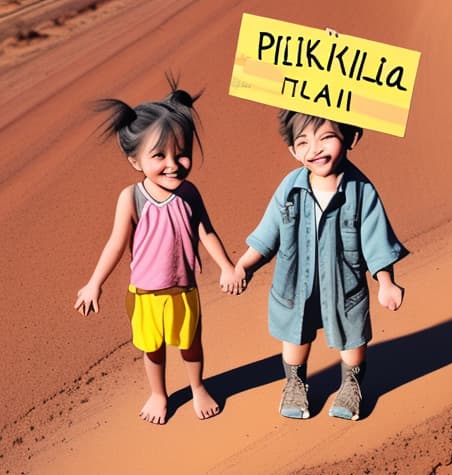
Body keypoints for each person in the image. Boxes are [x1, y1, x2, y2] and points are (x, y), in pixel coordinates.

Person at [74, 79, 243, 424]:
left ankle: (197, 387)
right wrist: (94, 283)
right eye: (159, 156)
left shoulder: (190, 193)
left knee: (191, 345)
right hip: (145, 294)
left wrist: (227, 266)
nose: (173, 164)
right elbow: (116, 244)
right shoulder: (131, 197)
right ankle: (158, 394)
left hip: (184, 291)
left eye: (182, 153)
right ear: (135, 161)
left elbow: (205, 232)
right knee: (152, 349)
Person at [234, 111, 408, 421]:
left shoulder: (361, 191)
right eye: (303, 142)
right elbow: (268, 231)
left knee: (352, 336)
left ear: (351, 137)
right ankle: (295, 383)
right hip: (295, 282)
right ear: (292, 151)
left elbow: (375, 240)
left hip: (345, 284)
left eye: (326, 138)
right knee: (295, 333)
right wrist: (245, 265)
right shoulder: (290, 186)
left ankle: (351, 385)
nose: (314, 149)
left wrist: (386, 282)